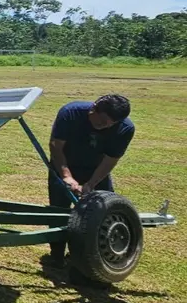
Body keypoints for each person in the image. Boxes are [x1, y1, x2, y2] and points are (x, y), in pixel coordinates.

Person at [46, 94, 135, 263]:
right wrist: (67, 176)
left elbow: (110, 160)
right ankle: (56, 255)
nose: (104, 126)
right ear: (93, 108)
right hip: (64, 163)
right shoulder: (70, 113)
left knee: (104, 211)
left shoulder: (125, 128)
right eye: (101, 121)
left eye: (111, 124)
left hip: (96, 168)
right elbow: (56, 147)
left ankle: (92, 256)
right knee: (58, 210)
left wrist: (91, 183)